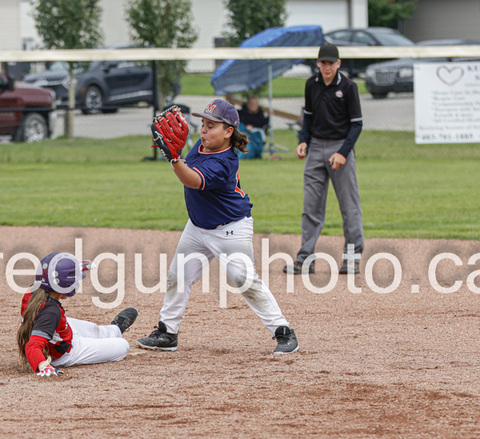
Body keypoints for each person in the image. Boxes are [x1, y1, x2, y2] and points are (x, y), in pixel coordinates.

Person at [137, 99, 299, 355]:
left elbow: (193, 181)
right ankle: (168, 332)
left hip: (230, 229)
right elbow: (189, 169)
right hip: (198, 227)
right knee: (177, 277)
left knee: (245, 281)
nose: (203, 130)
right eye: (202, 123)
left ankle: (283, 331)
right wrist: (177, 157)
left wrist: (173, 159)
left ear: (228, 132)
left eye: (211, 125)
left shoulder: (225, 162)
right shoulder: (201, 147)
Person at [285, 43, 365, 276]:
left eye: (331, 63)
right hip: (316, 147)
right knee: (311, 207)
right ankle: (305, 259)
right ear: (318, 64)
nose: (326, 67)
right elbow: (308, 117)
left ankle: (352, 259)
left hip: (341, 147)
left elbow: (357, 124)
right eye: (323, 63)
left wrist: (343, 152)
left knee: (349, 207)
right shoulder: (312, 84)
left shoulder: (349, 87)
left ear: (338, 64)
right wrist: (303, 140)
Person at [17, 252, 139, 377]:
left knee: (94, 329)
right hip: (65, 353)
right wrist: (43, 366)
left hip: (58, 334)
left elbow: (51, 274)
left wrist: (73, 268)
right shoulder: (51, 312)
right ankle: (114, 335)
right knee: (123, 346)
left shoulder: (34, 290)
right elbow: (32, 346)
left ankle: (116, 329)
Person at [237, 95, 269, 160]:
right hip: (244, 131)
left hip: (255, 132)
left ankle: (248, 152)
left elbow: (263, 125)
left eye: (254, 104)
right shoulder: (242, 113)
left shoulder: (260, 115)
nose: (252, 105)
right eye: (251, 103)